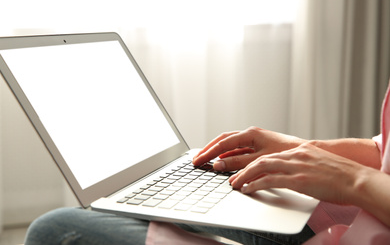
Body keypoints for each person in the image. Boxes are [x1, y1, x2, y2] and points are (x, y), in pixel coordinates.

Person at [24, 82, 390, 244]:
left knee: (56, 230)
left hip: (359, 223)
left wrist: (354, 180)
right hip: (352, 217)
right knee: (130, 204)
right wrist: (303, 148)